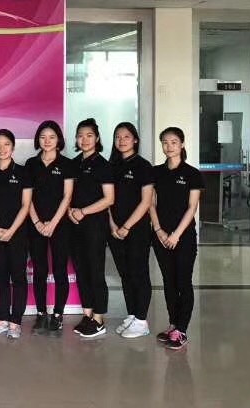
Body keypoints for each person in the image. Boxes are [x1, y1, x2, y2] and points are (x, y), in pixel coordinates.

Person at [150, 126, 204, 351]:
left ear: (181, 144)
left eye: (173, 142)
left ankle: (181, 330)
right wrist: (159, 231)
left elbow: (192, 207)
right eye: (165, 142)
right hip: (160, 236)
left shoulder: (192, 174)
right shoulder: (156, 172)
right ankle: (173, 324)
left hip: (184, 237)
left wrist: (176, 235)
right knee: (168, 282)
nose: (169, 146)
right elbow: (151, 203)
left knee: (183, 281)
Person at [0, 129, 33, 339]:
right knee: (0, 276)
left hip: (17, 234)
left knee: (18, 277)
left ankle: (15, 321)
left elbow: (26, 205)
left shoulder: (23, 172)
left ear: (13, 146)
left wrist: (11, 231)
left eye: (6, 144)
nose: (2, 149)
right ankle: (3, 318)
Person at [25, 120, 75, 335]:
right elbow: (27, 198)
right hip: (35, 224)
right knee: (39, 270)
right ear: (38, 139)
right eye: (43, 137)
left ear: (58, 140)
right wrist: (37, 222)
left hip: (60, 225)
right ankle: (41, 313)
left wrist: (53, 223)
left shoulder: (67, 164)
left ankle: (57, 314)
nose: (47, 141)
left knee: (60, 270)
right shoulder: (30, 164)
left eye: (52, 137)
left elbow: (67, 196)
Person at [68, 118, 115, 338]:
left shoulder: (103, 165)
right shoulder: (73, 164)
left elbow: (109, 199)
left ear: (97, 138)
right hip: (75, 225)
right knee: (81, 270)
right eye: (80, 135)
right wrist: (70, 211)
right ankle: (87, 315)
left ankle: (98, 318)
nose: (84, 140)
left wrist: (83, 211)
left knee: (95, 271)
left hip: (95, 226)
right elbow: (68, 194)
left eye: (89, 135)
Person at [108, 122, 154, 339]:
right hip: (114, 230)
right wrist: (113, 225)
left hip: (137, 229)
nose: (122, 140)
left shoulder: (143, 166)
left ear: (135, 140)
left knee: (139, 273)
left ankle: (142, 320)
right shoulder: (111, 166)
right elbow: (107, 200)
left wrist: (126, 226)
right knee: (125, 273)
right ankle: (133, 314)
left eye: (126, 136)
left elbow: (146, 201)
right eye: (118, 137)